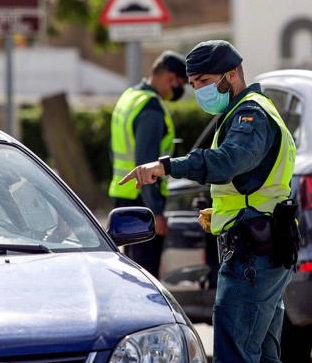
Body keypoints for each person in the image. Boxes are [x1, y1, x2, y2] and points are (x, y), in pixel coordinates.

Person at [119, 40, 297, 363]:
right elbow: (257, 181)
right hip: (262, 247)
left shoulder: (250, 114)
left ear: (232, 74)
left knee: (235, 353)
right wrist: (223, 212)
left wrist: (167, 166)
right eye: (193, 84)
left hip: (253, 257)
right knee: (264, 355)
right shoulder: (245, 110)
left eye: (204, 81)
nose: (198, 90)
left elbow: (228, 161)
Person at [108, 50, 188, 278]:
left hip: (123, 194)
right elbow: (146, 164)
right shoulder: (151, 108)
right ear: (170, 77)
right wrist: (156, 212)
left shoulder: (129, 97)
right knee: (146, 275)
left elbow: (114, 151)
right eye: (179, 83)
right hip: (142, 202)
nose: (178, 90)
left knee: (130, 271)